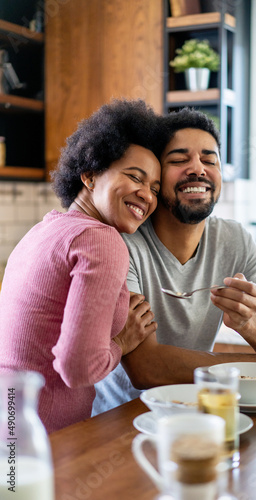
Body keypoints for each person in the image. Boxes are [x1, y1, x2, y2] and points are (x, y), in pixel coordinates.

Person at [92, 107, 256, 414]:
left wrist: (250, 322)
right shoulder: (122, 241)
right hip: (120, 423)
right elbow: (147, 368)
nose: (198, 169)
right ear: (155, 174)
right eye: (179, 160)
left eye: (209, 160)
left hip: (200, 413)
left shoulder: (233, 239)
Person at [0, 99, 164, 433]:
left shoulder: (46, 228)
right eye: (135, 177)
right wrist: (123, 341)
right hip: (45, 434)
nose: (146, 194)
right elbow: (77, 367)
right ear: (89, 175)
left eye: (154, 188)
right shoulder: (100, 240)